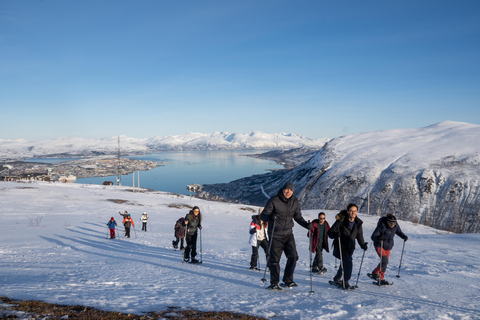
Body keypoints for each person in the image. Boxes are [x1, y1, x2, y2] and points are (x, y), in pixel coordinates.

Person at [260, 182, 312, 290]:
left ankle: (288, 280)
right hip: (275, 235)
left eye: (291, 190)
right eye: (286, 190)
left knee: (293, 257)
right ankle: (274, 283)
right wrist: (271, 216)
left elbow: (298, 217)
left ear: (293, 191)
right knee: (275, 260)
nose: (288, 192)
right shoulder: (274, 200)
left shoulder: (295, 201)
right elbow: (263, 216)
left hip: (288, 234)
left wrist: (307, 225)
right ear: (283, 189)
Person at [328, 203, 368, 289]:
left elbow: (359, 235)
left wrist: (362, 245)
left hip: (350, 247)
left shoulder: (358, 223)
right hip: (340, 246)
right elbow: (330, 233)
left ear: (357, 212)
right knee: (348, 263)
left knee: (344, 263)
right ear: (347, 211)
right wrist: (336, 234)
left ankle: (337, 278)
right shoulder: (341, 221)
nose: (353, 213)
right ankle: (345, 281)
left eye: (355, 211)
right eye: (351, 211)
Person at [370, 214, 408, 284]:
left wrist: (404, 236)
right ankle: (380, 278)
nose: (392, 225)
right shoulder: (382, 225)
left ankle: (376, 273)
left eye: (394, 223)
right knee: (384, 260)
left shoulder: (395, 226)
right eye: (391, 224)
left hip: (388, 246)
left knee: (385, 262)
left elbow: (399, 232)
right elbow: (373, 236)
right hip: (379, 245)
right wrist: (378, 237)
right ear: (387, 222)